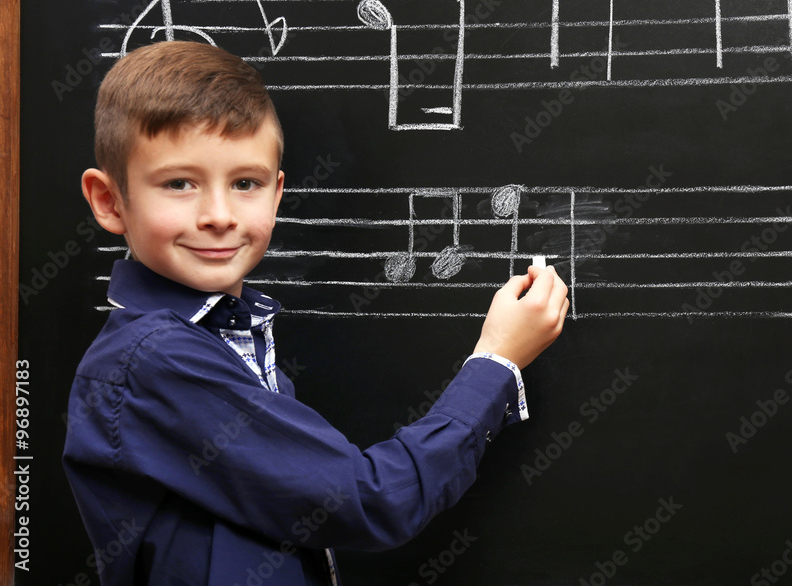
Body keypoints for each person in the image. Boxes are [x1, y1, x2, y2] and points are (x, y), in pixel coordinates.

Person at [63, 41, 569, 585]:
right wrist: (495, 362)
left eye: (245, 184)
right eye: (179, 184)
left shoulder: (226, 339)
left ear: (276, 194)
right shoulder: (157, 362)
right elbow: (370, 501)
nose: (218, 215)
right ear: (109, 200)